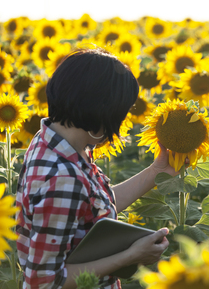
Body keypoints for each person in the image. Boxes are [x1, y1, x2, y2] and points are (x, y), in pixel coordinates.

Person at [16, 47, 176, 289]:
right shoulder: (63, 177)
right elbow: (44, 282)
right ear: (105, 112)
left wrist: (157, 172)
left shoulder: (53, 141)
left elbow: (90, 206)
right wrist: (132, 256)